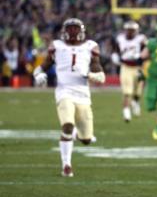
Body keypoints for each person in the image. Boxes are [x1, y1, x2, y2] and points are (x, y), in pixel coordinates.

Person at [33, 18, 105, 177]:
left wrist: (89, 74)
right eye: (69, 28)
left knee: (86, 139)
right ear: (64, 31)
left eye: (75, 28)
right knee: (67, 124)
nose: (72, 32)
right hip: (64, 91)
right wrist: (37, 74)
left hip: (83, 95)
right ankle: (66, 165)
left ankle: (78, 135)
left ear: (82, 31)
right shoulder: (57, 46)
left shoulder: (90, 46)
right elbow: (43, 66)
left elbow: (99, 73)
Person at [112, 21, 147, 122]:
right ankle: (126, 113)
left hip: (138, 67)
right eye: (129, 30)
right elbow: (115, 50)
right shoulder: (120, 38)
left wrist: (142, 59)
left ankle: (136, 102)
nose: (130, 32)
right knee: (127, 92)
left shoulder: (141, 39)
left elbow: (147, 51)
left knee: (138, 91)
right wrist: (115, 57)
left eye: (132, 30)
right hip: (126, 66)